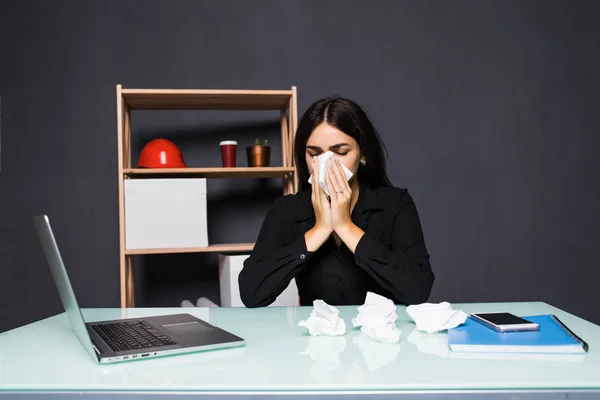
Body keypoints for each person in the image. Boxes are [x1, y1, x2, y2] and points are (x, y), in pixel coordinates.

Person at [238, 96, 434, 308]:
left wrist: (345, 227)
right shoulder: (287, 210)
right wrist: (318, 231)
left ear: (363, 154)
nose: (326, 163)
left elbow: (419, 290)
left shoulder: (395, 204)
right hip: (317, 337)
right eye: (315, 153)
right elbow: (251, 293)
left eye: (340, 152)